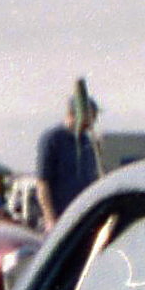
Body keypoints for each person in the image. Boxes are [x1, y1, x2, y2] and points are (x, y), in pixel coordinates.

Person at [34, 79, 104, 229]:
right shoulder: (53, 139)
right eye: (90, 117)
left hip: (84, 216)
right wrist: (50, 219)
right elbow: (42, 183)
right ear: (75, 114)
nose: (93, 122)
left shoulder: (87, 141)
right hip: (61, 217)